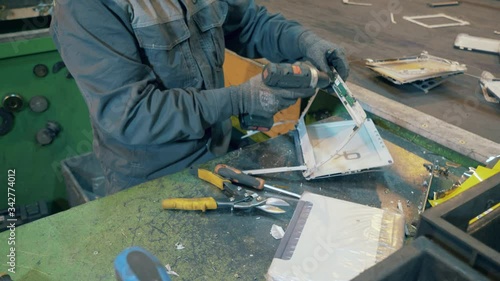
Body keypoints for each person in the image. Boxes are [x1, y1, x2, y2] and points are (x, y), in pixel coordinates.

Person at [50, 0, 349, 194]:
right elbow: (132, 115)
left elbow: (246, 22)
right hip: (152, 180)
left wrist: (302, 41)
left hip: (221, 153)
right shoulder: (84, 8)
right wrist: (241, 100)